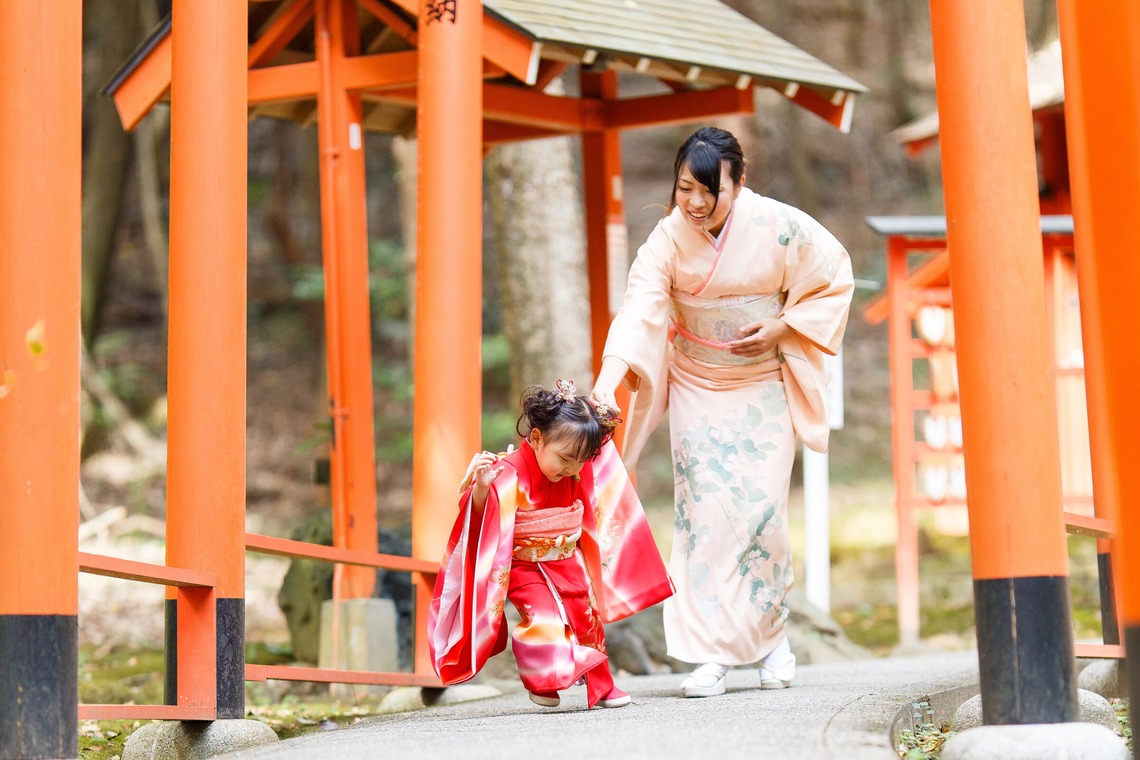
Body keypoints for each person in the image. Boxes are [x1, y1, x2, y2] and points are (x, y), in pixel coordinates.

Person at [589, 126, 853, 698]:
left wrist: (784, 325)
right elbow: (639, 311)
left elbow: (835, 277)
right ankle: (708, 653)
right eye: (686, 187)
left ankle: (771, 637)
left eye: (712, 190)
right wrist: (610, 383)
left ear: (739, 183)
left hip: (763, 389)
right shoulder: (666, 239)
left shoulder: (781, 226)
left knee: (762, 518)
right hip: (696, 387)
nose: (696, 202)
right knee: (704, 517)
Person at [428, 380, 674, 709]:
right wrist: (482, 490)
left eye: (580, 461)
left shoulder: (575, 470)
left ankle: (602, 686)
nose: (572, 469)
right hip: (524, 564)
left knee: (586, 619)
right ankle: (542, 679)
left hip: (566, 558)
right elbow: (479, 520)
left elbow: (599, 483)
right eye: (566, 459)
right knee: (543, 617)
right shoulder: (507, 470)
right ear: (536, 438)